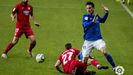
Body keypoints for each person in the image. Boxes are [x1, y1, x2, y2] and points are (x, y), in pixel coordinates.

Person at [81, 1, 117, 72]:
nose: (88, 9)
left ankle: (115, 68)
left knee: (104, 52)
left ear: (93, 8)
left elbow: (102, 20)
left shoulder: (96, 16)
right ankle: (83, 71)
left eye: (90, 8)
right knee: (84, 61)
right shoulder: (85, 16)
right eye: (87, 8)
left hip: (98, 39)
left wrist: (107, 12)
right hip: (88, 41)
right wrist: (93, 21)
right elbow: (85, 26)